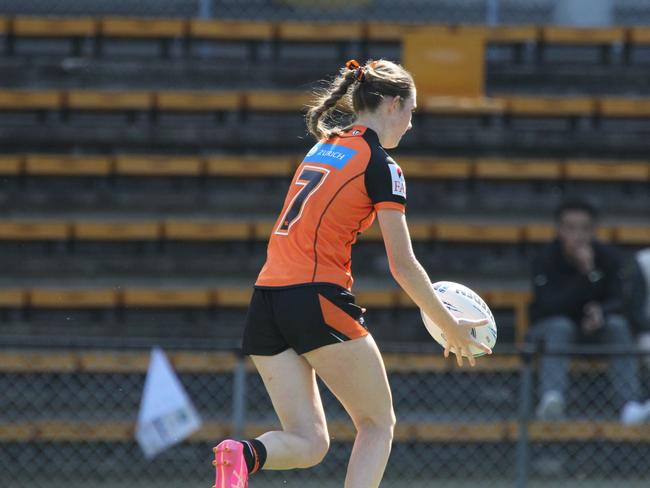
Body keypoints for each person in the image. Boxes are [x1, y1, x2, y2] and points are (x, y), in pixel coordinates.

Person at [211, 59, 492, 488]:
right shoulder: (382, 165)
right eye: (412, 112)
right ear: (394, 104)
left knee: (308, 443)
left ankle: (244, 456)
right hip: (316, 296)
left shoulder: (323, 145)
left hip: (266, 300)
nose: (411, 125)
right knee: (378, 423)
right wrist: (449, 325)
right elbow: (403, 265)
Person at [529, 199, 650, 424]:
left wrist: (601, 312)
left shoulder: (608, 257)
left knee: (617, 325)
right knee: (560, 326)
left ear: (594, 230)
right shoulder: (544, 258)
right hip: (550, 330)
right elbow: (549, 306)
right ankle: (551, 399)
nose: (578, 235)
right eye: (571, 228)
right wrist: (586, 275)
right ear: (559, 229)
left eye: (585, 228)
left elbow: (620, 300)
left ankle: (629, 405)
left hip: (595, 330)